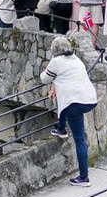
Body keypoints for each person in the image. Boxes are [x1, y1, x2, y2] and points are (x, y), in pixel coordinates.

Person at [42, 36, 99, 185]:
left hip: (75, 102)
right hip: (89, 99)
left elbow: (44, 79)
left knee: (79, 139)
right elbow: (66, 77)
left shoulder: (56, 62)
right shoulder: (76, 59)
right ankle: (61, 129)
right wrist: (56, 86)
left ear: (54, 51)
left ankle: (84, 177)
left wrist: (49, 64)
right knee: (66, 103)